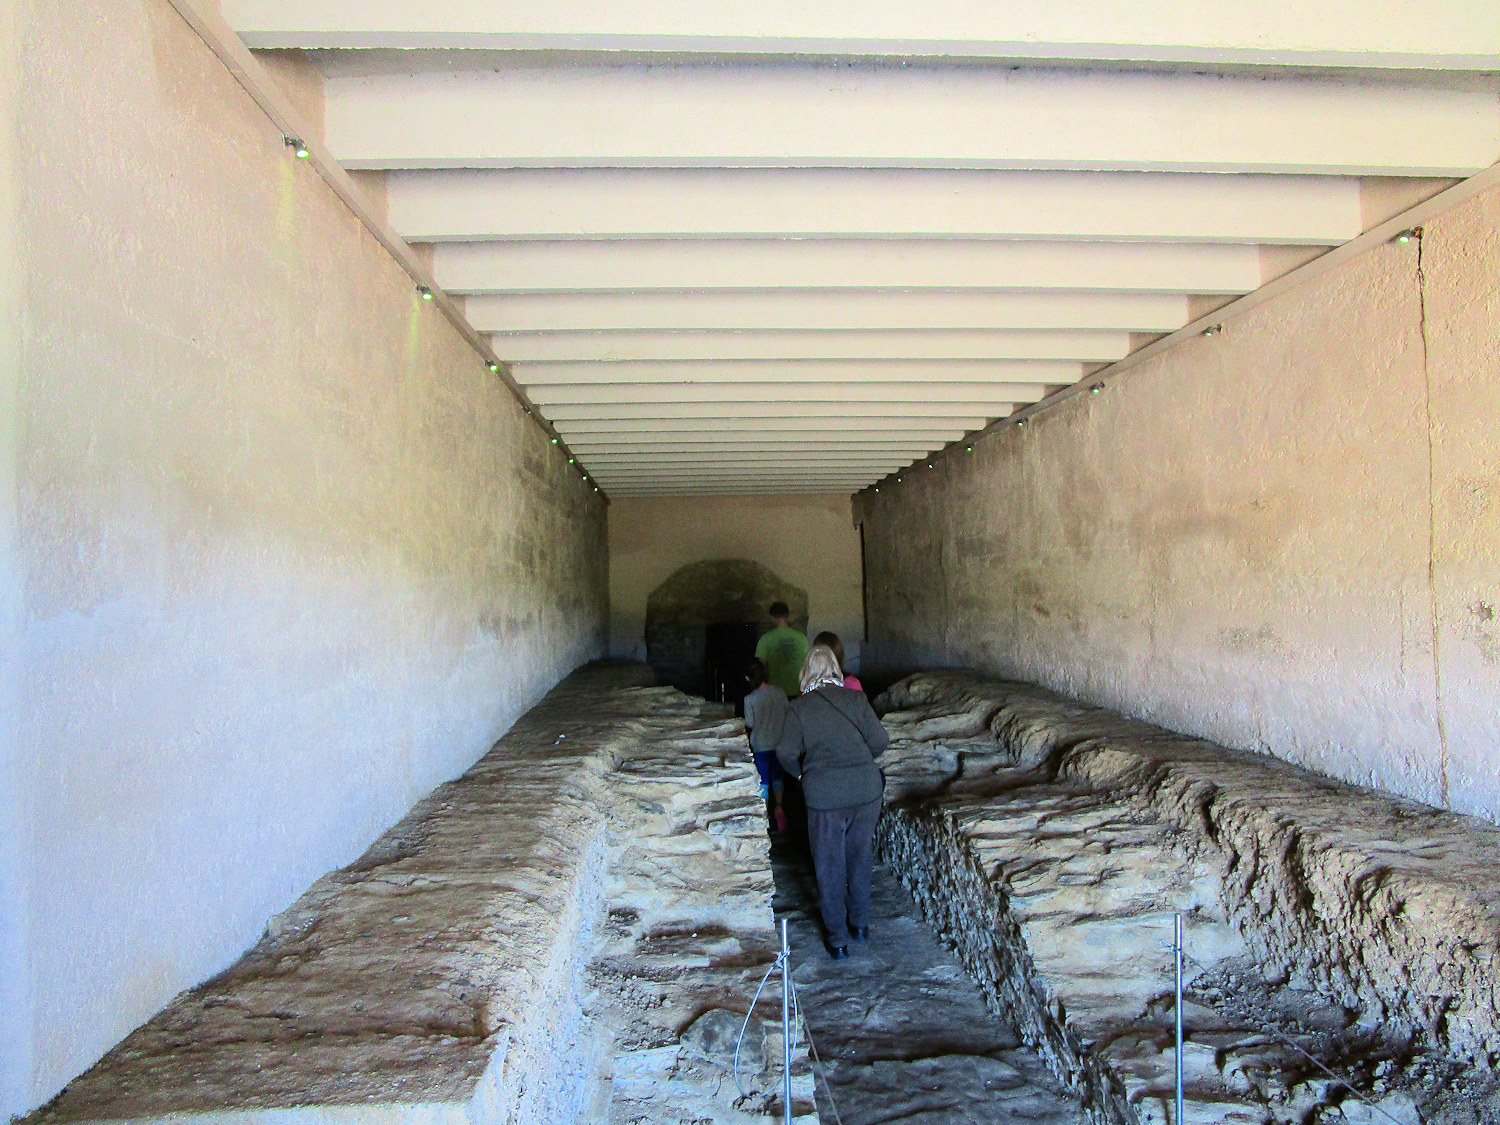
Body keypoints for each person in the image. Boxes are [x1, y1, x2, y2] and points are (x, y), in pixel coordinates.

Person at [775, 645, 889, 959]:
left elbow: (784, 753)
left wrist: (802, 775)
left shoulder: (799, 709)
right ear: (836, 669)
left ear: (806, 673)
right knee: (860, 857)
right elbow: (880, 742)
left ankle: (838, 941)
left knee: (829, 867)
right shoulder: (856, 699)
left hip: (824, 797)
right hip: (866, 793)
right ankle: (861, 925)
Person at [742, 658, 789, 833]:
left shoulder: (749, 699)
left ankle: (764, 816)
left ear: (748, 678)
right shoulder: (780, 693)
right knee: (778, 778)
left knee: (763, 781)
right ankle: (780, 808)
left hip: (760, 744)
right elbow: (787, 714)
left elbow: (750, 723)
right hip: (779, 742)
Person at [754, 601, 809, 699]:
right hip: (797, 689)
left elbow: (761, 667)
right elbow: (807, 664)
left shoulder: (765, 639)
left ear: (772, 617)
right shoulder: (801, 638)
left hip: (775, 691)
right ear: (787, 615)